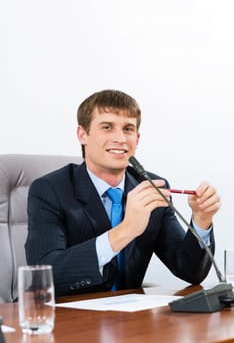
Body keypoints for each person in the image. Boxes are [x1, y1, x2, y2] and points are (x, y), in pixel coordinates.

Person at [25, 89, 220, 297]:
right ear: (83, 135)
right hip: (64, 317)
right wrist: (126, 230)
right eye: (107, 127)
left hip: (128, 320)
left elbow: (190, 271)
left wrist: (201, 221)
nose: (120, 138)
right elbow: (44, 275)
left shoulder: (151, 187)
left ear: (137, 138)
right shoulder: (49, 189)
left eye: (128, 129)